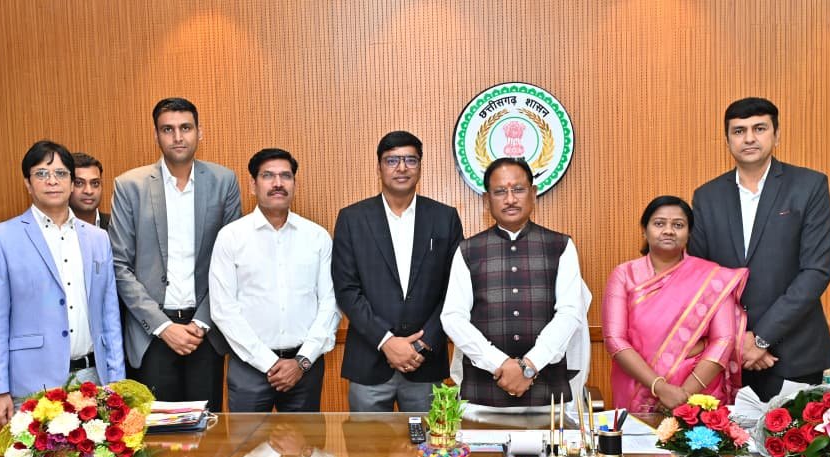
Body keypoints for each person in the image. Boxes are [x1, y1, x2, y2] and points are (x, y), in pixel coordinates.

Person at [690, 97, 830, 402]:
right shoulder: (707, 197)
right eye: (739, 131)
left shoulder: (809, 186)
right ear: (727, 140)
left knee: (794, 434)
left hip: (795, 353)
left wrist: (761, 338)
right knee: (726, 435)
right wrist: (737, 339)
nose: (749, 138)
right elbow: (701, 278)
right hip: (727, 357)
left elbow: (815, 272)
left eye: (759, 128)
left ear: (776, 135)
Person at [110, 97, 241, 411]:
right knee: (157, 431)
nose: (178, 137)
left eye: (186, 128)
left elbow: (232, 262)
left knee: (207, 428)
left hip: (205, 332)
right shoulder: (129, 186)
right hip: (151, 332)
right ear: (156, 135)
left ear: (199, 132)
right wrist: (163, 326)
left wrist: (202, 322)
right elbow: (119, 265)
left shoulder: (223, 182)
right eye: (168, 129)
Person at [0, 140, 125, 426]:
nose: (52, 181)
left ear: (71, 182)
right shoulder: (1, 237)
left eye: (60, 173)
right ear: (27, 183)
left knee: (99, 455)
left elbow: (110, 315)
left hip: (93, 380)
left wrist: (117, 381)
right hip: (32, 384)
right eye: (41, 174)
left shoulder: (97, 238)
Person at [441, 157, 589, 408]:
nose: (510, 199)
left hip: (547, 392)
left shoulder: (560, 246)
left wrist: (530, 365)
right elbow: (453, 317)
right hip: (483, 391)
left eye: (518, 189)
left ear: (533, 193)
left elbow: (570, 313)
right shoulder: (468, 250)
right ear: (487, 200)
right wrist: (499, 364)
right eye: (500, 192)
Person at [332, 131, 463, 412]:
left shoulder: (445, 217)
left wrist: (422, 344)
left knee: (428, 439)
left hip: (425, 362)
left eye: (410, 160)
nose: (402, 167)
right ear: (379, 167)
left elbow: (455, 289)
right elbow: (346, 290)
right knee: (367, 442)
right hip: (369, 361)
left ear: (420, 166)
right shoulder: (352, 219)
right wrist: (387, 341)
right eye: (392, 160)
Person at [209, 148, 340, 412]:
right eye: (268, 176)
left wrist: (301, 362)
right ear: (253, 185)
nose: (278, 183)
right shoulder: (231, 237)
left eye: (285, 176)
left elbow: (331, 304)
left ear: (294, 184)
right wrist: (268, 363)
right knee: (248, 441)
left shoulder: (317, 237)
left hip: (305, 369)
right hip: (249, 368)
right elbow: (223, 309)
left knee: (306, 440)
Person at [603, 196, 748, 412]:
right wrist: (660, 387)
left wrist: (684, 394)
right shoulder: (625, 275)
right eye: (659, 223)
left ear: (689, 233)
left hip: (698, 392)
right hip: (637, 389)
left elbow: (724, 340)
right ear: (644, 231)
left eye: (678, 225)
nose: (669, 231)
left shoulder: (713, 278)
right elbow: (615, 339)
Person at [70, 152, 109, 229]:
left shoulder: (117, 226)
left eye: (95, 183)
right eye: (79, 183)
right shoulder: (53, 229)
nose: (89, 191)